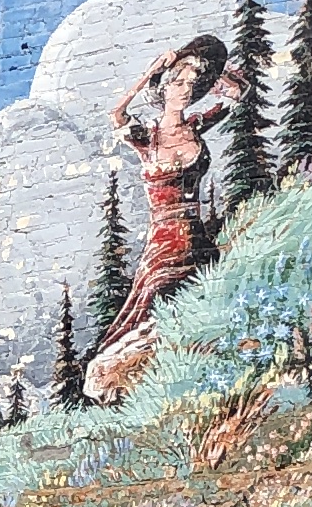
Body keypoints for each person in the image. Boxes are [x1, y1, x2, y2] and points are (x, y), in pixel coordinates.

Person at [86, 32, 240, 399]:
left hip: (195, 233)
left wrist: (205, 65)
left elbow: (239, 93)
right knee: (153, 300)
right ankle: (130, 380)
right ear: (164, 88)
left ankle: (188, 376)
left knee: (199, 301)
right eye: (179, 83)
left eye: (192, 84)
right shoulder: (147, 137)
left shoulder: (197, 125)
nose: (186, 89)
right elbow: (117, 114)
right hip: (163, 238)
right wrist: (152, 71)